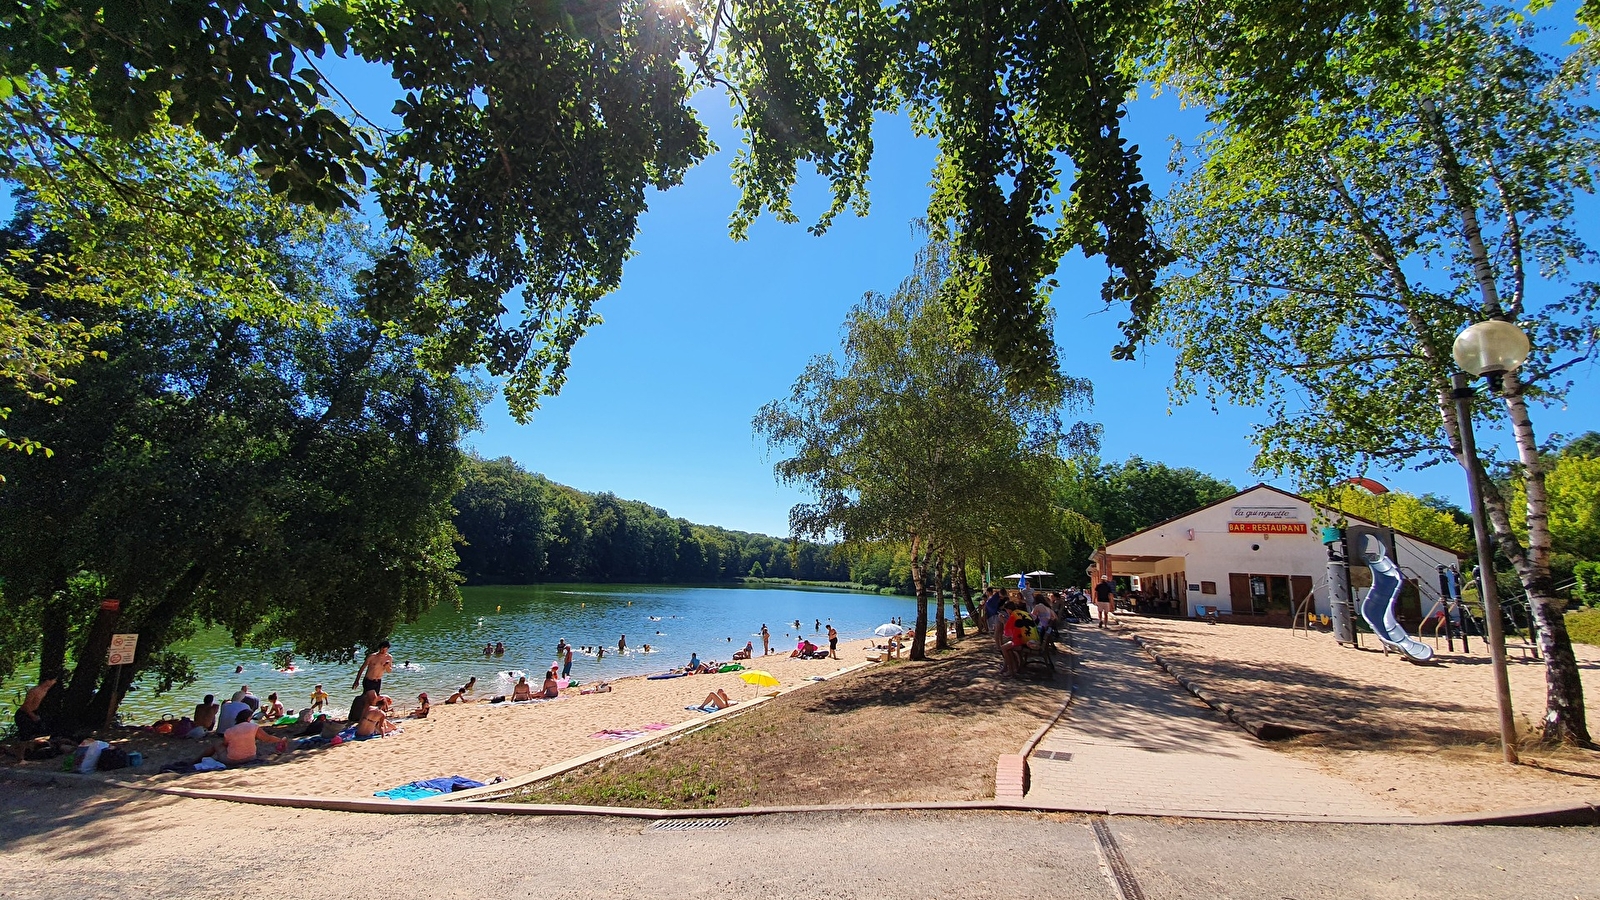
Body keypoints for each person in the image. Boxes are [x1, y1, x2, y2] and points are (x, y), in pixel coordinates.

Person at [204, 708, 285, 767]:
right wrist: (280, 740)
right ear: (248, 718)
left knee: (216, 744)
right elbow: (267, 738)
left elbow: (225, 744)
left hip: (232, 760)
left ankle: (197, 760)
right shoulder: (254, 727)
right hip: (251, 758)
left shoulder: (229, 731)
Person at [13, 674, 56, 740]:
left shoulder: (48, 691)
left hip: (35, 712)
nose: (54, 682)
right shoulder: (34, 691)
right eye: (53, 680)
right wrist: (33, 716)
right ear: (47, 681)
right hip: (25, 714)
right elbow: (26, 706)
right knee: (27, 735)